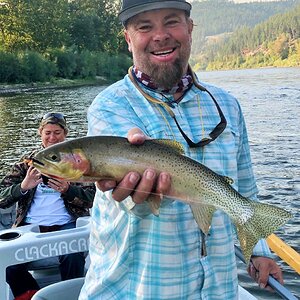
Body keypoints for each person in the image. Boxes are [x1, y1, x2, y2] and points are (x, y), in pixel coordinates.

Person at [80, 1, 283, 299]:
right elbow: (118, 191)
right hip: (134, 291)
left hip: (219, 290)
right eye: (144, 27)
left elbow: (246, 188)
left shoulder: (227, 104)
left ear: (190, 28)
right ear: (128, 39)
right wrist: (125, 177)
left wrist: (258, 250)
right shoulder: (109, 106)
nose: (160, 36)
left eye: (171, 21)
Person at [0, 112, 95, 300]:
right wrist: (23, 187)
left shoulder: (78, 162)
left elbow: (92, 198)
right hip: (30, 227)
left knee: (73, 255)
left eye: (57, 132)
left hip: (67, 224)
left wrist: (69, 190)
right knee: (9, 264)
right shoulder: (25, 164)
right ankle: (32, 295)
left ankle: (71, 295)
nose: (52, 138)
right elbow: (1, 197)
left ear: (65, 133)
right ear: (40, 134)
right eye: (48, 133)